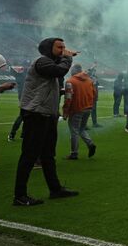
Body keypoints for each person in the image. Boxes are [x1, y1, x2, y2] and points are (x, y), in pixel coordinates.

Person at [13, 38, 79, 206]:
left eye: (64, 47)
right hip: (36, 114)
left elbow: (49, 83)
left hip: (48, 115)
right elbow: (58, 71)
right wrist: (68, 58)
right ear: (48, 48)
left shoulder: (49, 63)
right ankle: (19, 196)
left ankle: (55, 189)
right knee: (29, 155)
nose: (63, 49)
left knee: (48, 155)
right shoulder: (42, 61)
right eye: (60, 47)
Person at [62, 64, 97, 160]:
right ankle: (90, 143)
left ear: (74, 70)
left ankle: (74, 153)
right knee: (81, 129)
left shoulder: (70, 81)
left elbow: (68, 98)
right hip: (88, 108)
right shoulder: (89, 81)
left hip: (76, 109)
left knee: (74, 131)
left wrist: (65, 112)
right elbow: (94, 94)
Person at [8, 64, 27, 142]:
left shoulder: (19, 76)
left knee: (25, 116)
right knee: (23, 116)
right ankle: (12, 134)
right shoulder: (23, 76)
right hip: (26, 97)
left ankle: (22, 134)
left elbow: (13, 69)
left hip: (24, 97)